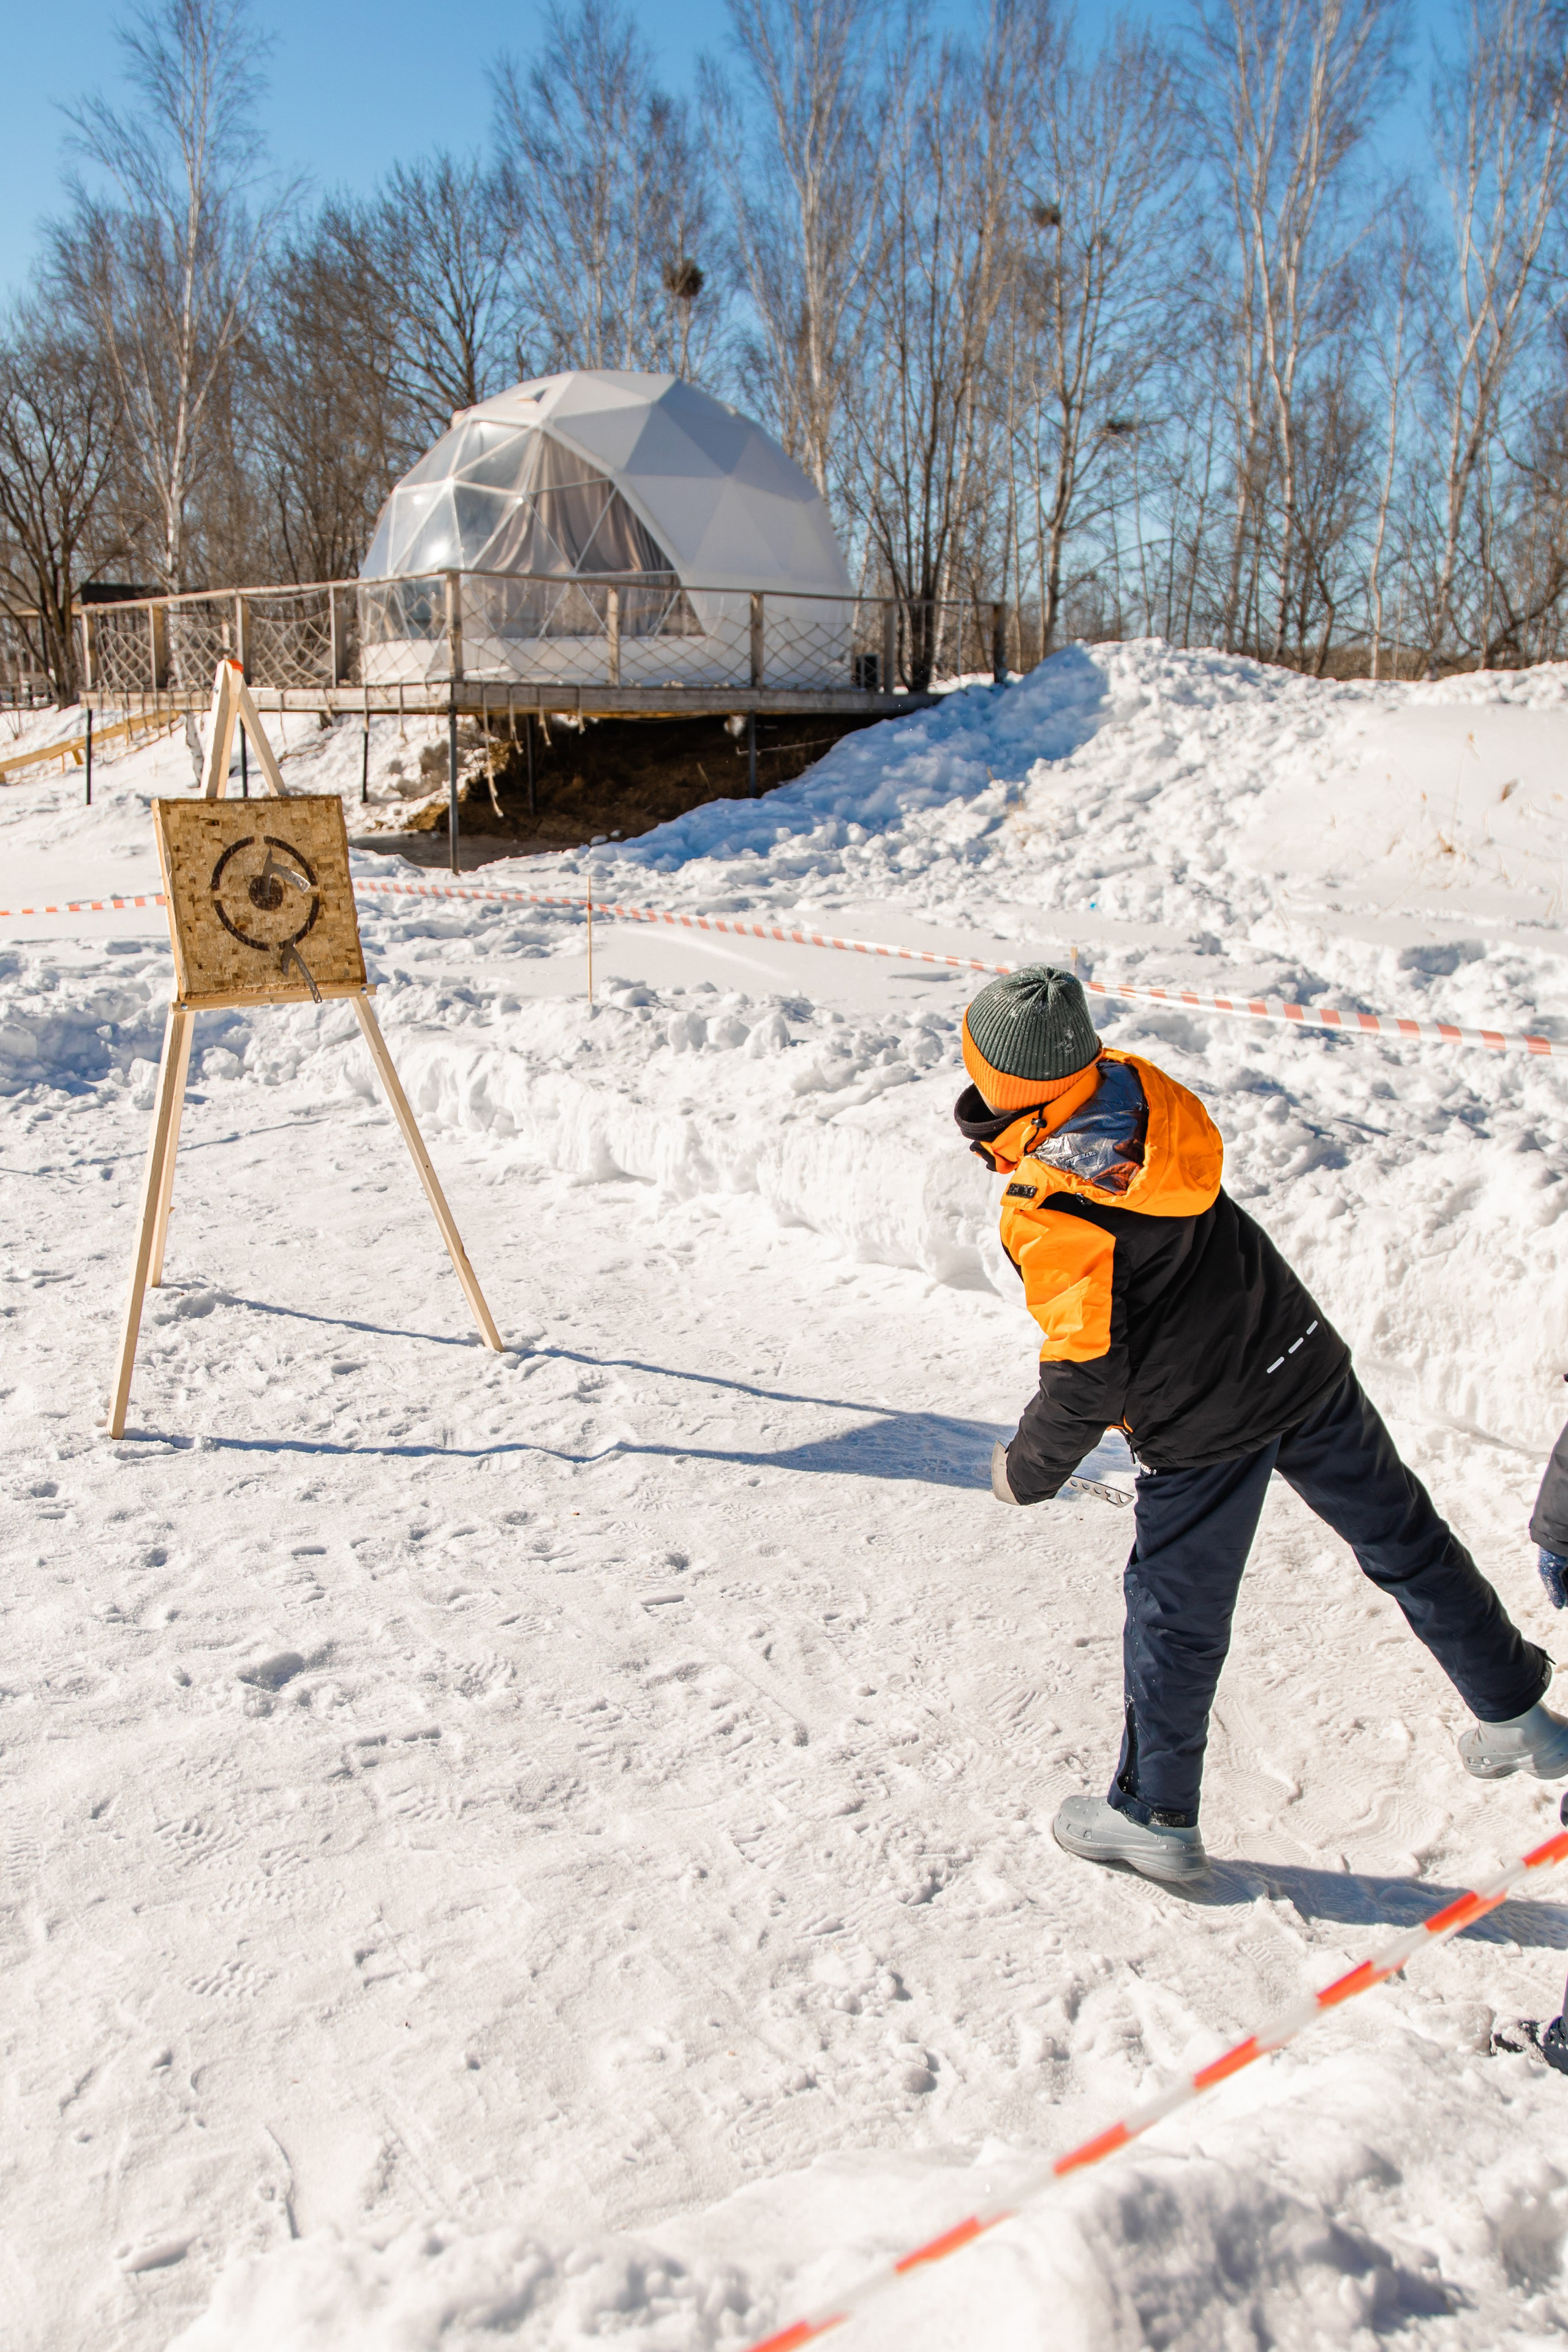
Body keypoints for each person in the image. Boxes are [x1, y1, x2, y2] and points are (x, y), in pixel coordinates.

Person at [956, 964, 1568, 1885]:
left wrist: (1028, 1470)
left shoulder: (1056, 1207)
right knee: (1403, 1536)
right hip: (1294, 1352)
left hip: (1203, 1421)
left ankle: (1154, 1815)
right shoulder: (1143, 1098)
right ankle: (1515, 1711)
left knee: (1177, 1618)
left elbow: (1084, 1374)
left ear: (1000, 1082)